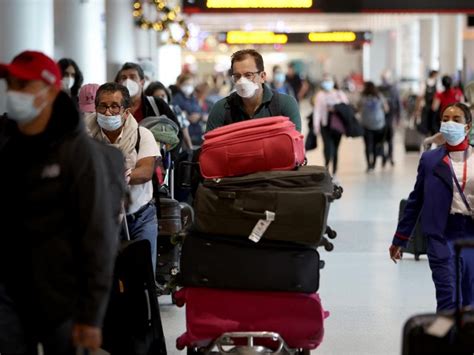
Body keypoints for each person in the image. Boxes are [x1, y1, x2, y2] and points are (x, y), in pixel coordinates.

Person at [0, 51, 124, 354]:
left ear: (50, 92)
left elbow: (99, 237)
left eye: (24, 86)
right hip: (11, 298)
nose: (14, 94)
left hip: (65, 301)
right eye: (11, 85)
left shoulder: (80, 154)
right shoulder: (8, 147)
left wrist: (92, 316)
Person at [390, 103, 474, 311]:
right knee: (448, 299)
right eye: (445, 119)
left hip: (471, 234)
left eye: (456, 119)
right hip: (441, 235)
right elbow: (416, 200)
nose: (449, 123)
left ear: (468, 127)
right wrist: (400, 239)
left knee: (469, 301)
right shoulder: (430, 160)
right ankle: (447, 342)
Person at [85, 82, 161, 272]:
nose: (108, 112)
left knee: (142, 276)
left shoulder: (142, 135)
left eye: (114, 106)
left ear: (126, 112)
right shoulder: (85, 136)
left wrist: (119, 175)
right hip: (101, 217)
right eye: (102, 106)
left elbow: (145, 171)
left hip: (140, 216)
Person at [206, 49, 301, 133]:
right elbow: (210, 149)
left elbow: (294, 146)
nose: (242, 81)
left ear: (262, 77)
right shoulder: (222, 109)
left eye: (248, 75)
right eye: (237, 76)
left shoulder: (284, 104)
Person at [114, 62, 179, 127]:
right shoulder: (113, 107)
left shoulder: (157, 104)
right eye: (124, 78)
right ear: (119, 83)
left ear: (142, 83)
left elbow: (177, 130)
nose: (127, 81)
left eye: (132, 77)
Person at [313, 74, 349, 178]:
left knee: (336, 148)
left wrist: (336, 108)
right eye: (325, 81)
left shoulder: (339, 94)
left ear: (333, 82)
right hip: (325, 125)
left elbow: (346, 108)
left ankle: (335, 171)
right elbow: (317, 111)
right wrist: (316, 126)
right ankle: (327, 165)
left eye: (329, 80)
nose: (327, 83)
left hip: (337, 126)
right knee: (327, 147)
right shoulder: (320, 95)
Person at [145, 81, 193, 150]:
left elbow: (185, 134)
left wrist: (190, 149)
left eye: (163, 96)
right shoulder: (148, 112)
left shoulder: (175, 110)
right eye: (157, 97)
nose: (161, 99)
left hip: (175, 150)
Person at [359, 81, 389, 171]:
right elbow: (386, 109)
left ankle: (369, 165)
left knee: (368, 146)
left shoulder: (362, 97)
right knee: (376, 145)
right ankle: (374, 164)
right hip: (379, 125)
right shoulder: (379, 96)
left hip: (366, 125)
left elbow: (358, 107)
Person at [172, 73, 206, 147]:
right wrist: (186, 117)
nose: (188, 87)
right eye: (186, 84)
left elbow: (202, 113)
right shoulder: (177, 99)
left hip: (197, 133)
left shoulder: (194, 98)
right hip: (185, 136)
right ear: (180, 85)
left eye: (190, 84)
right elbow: (176, 114)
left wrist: (199, 116)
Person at [378, 70, 401, 166]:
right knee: (381, 139)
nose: (385, 80)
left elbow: (398, 104)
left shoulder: (393, 89)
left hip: (390, 116)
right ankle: (383, 157)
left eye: (386, 78)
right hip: (380, 118)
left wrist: (398, 118)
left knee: (390, 139)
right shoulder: (378, 89)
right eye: (384, 78)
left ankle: (390, 156)